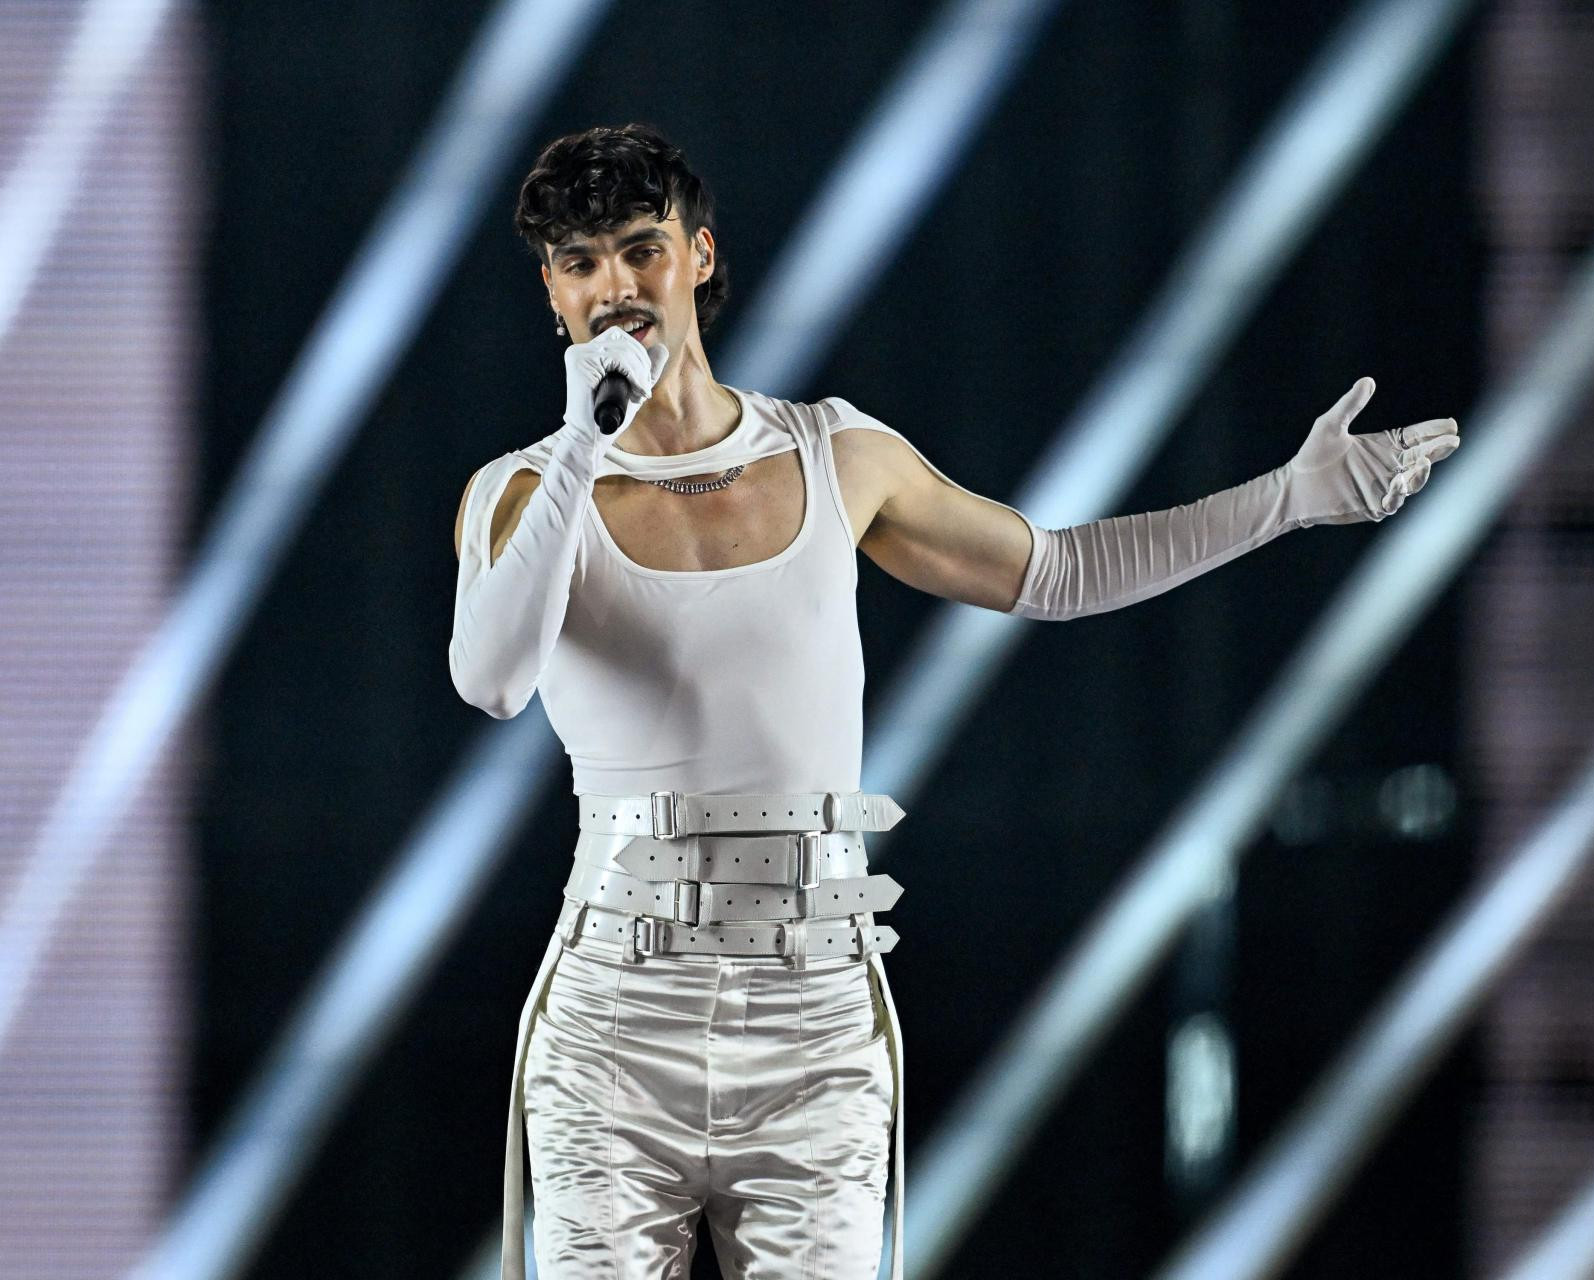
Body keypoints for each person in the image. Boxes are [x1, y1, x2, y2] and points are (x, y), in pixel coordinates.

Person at [450, 122, 1458, 1280]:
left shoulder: (833, 452)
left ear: (700, 255)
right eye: (581, 263)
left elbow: (1059, 570)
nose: (616, 286)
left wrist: (1288, 496)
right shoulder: (523, 491)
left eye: (641, 248)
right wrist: (585, 444)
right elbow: (491, 679)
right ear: (552, 292)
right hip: (617, 1018)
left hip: (814, 1012)